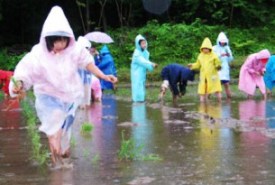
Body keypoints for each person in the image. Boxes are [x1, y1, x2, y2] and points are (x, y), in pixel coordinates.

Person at [9, 6, 117, 167]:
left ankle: (62, 156)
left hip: (69, 97)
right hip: (48, 98)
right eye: (56, 41)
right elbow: (24, 73)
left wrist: (103, 75)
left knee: (64, 133)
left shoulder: (74, 50)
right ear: (48, 39)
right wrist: (19, 85)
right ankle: (57, 168)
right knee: (54, 131)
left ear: (68, 38)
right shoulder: (38, 54)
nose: (60, 45)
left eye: (64, 40)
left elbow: (88, 63)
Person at [189, 37, 222, 102]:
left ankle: (219, 102)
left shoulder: (214, 55)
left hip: (212, 76)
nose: (205, 50)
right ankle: (203, 104)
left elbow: (218, 63)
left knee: (217, 90)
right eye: (204, 48)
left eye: (206, 48)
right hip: (203, 76)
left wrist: (218, 66)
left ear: (209, 48)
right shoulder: (200, 55)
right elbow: (198, 64)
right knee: (202, 91)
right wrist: (192, 65)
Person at [131, 34, 157, 102]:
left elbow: (146, 61)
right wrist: (152, 64)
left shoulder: (144, 52)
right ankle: (137, 102)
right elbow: (142, 61)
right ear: (138, 44)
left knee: (141, 87)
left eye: (145, 43)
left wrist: (151, 64)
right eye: (142, 43)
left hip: (141, 73)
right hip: (136, 74)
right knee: (138, 87)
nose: (144, 45)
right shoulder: (137, 54)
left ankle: (140, 102)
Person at [213, 32, 234, 99]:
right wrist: (220, 55)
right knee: (216, 85)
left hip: (225, 69)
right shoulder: (214, 48)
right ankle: (208, 98)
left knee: (226, 84)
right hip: (217, 69)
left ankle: (229, 99)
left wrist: (229, 55)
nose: (222, 43)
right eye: (221, 42)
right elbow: (212, 58)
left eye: (224, 42)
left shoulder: (227, 48)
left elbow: (230, 59)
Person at [77, 36, 93, 109]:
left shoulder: (76, 53)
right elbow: (92, 66)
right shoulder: (88, 55)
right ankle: (86, 115)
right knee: (86, 96)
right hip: (86, 79)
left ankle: (81, 115)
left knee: (80, 97)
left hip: (78, 79)